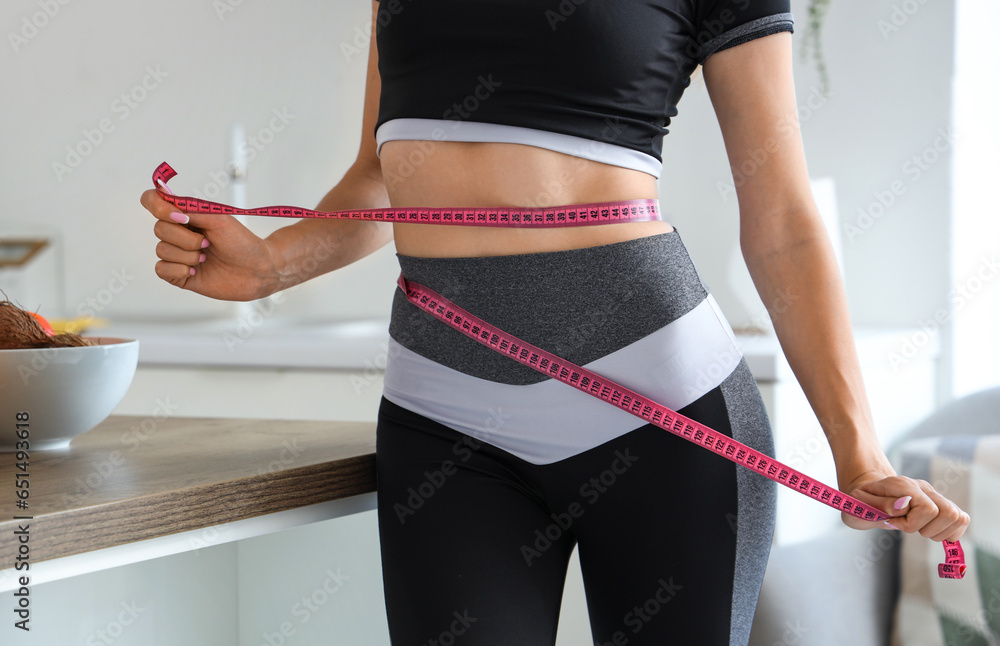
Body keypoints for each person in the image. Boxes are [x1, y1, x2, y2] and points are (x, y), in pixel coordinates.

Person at [140, 1, 970, 644]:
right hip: (444, 416)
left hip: (663, 410)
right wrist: (272, 264)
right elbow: (382, 172)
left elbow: (782, 214)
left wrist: (856, 452)